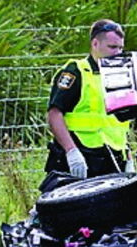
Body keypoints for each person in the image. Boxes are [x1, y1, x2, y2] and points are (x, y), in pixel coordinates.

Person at [44, 19, 130, 184]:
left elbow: (119, 122)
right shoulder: (76, 71)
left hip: (112, 159)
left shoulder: (119, 75)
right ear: (95, 44)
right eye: (112, 47)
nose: (117, 53)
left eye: (120, 48)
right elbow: (55, 114)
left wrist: (128, 157)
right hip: (81, 156)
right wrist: (71, 152)